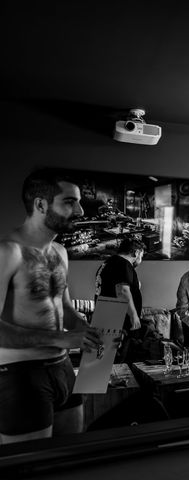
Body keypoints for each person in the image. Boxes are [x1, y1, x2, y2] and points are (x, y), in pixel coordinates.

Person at [0, 168, 103, 444]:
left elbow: (65, 308)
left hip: (63, 368)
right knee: (32, 466)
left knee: (69, 456)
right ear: (41, 205)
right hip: (23, 374)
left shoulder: (59, 252)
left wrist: (89, 331)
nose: (80, 211)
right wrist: (64, 338)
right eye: (70, 202)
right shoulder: (8, 252)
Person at [95, 237, 145, 363]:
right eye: (142, 255)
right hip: (116, 322)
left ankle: (102, 382)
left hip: (104, 317)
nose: (141, 259)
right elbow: (122, 291)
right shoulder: (123, 264)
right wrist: (134, 316)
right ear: (136, 252)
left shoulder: (108, 263)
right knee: (115, 362)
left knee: (101, 360)